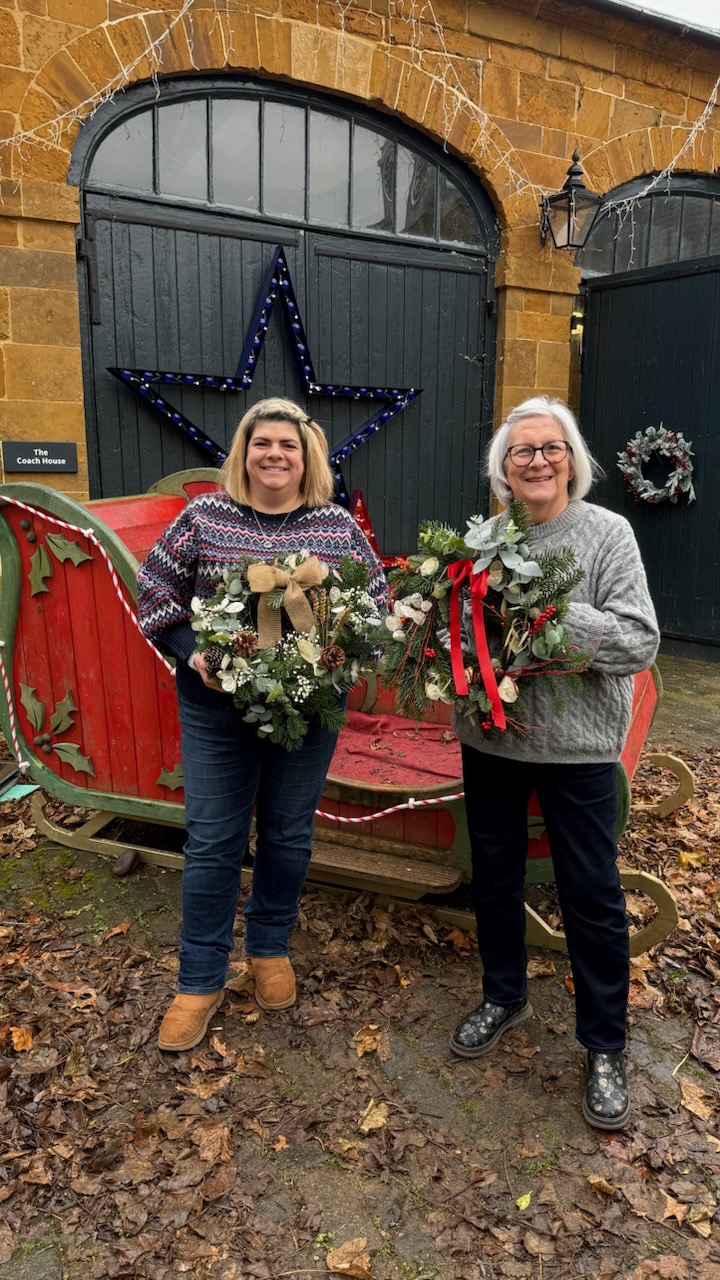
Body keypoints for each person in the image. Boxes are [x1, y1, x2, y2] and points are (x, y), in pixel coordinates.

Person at [137, 398, 389, 1052]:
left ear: (307, 456)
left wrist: (341, 656)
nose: (274, 454)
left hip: (307, 715)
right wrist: (194, 650)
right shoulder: (203, 517)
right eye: (261, 443)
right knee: (214, 840)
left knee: (286, 832)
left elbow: (375, 604)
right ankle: (199, 978)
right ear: (243, 453)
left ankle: (270, 949)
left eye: (288, 444)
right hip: (216, 709)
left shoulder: (335, 527)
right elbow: (157, 594)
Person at [449, 396, 659, 1130]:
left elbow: (637, 643)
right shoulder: (482, 539)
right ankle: (503, 996)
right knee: (495, 879)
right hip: (492, 745)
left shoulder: (608, 537)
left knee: (591, 896)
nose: (537, 461)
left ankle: (605, 1043)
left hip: (577, 752)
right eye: (521, 451)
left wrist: (548, 610)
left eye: (551, 448)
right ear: (502, 469)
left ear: (572, 459)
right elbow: (459, 635)